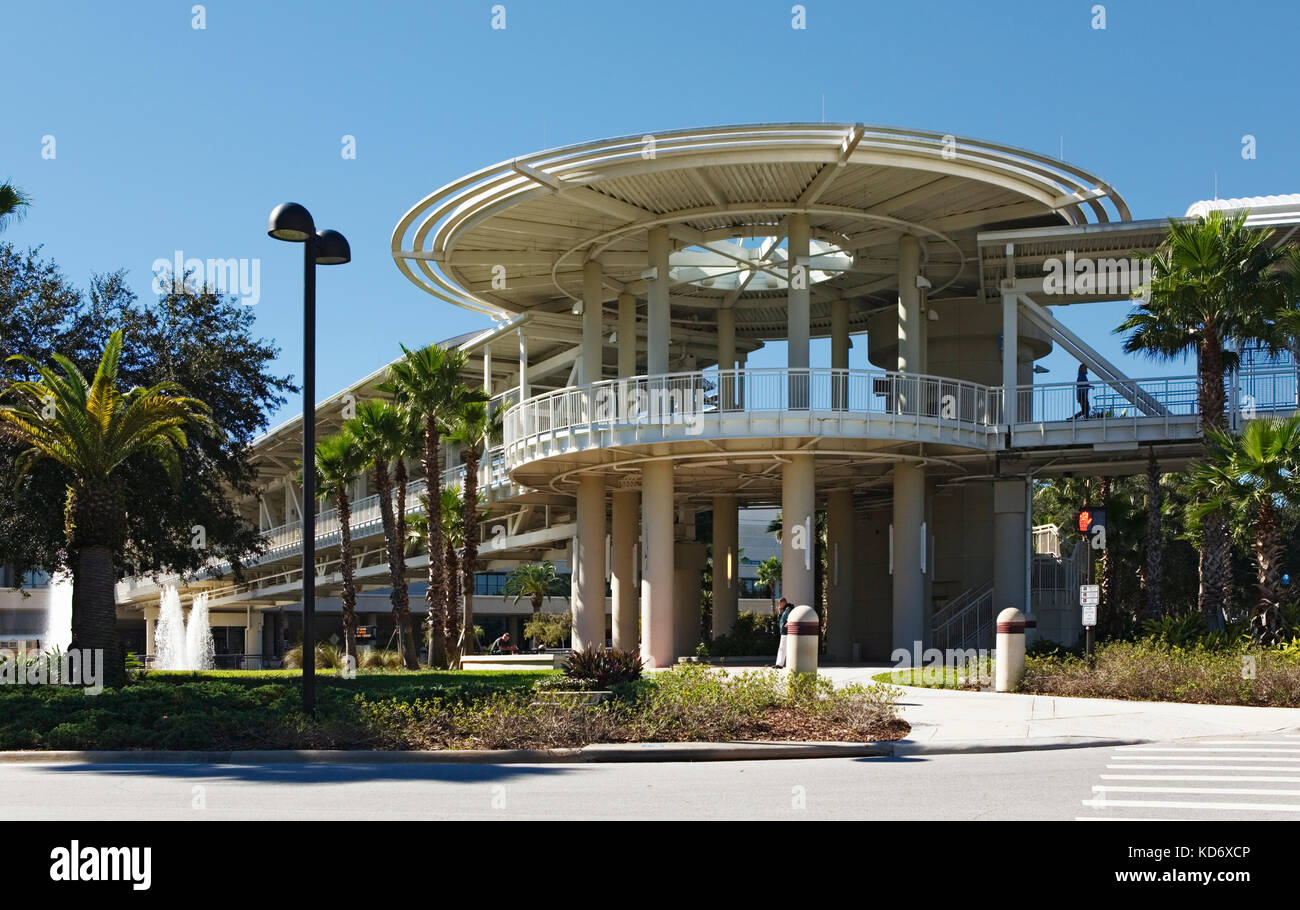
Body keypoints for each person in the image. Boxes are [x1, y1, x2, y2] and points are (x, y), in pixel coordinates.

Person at [774, 597, 793, 668]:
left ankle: (780, 664)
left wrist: (788, 622)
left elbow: (789, 616)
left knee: (783, 647)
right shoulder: (784, 610)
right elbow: (780, 620)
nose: (779, 605)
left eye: (780, 604)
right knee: (784, 647)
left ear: (784, 602)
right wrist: (780, 612)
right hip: (783, 630)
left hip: (786, 630)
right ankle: (780, 664)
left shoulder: (788, 608)